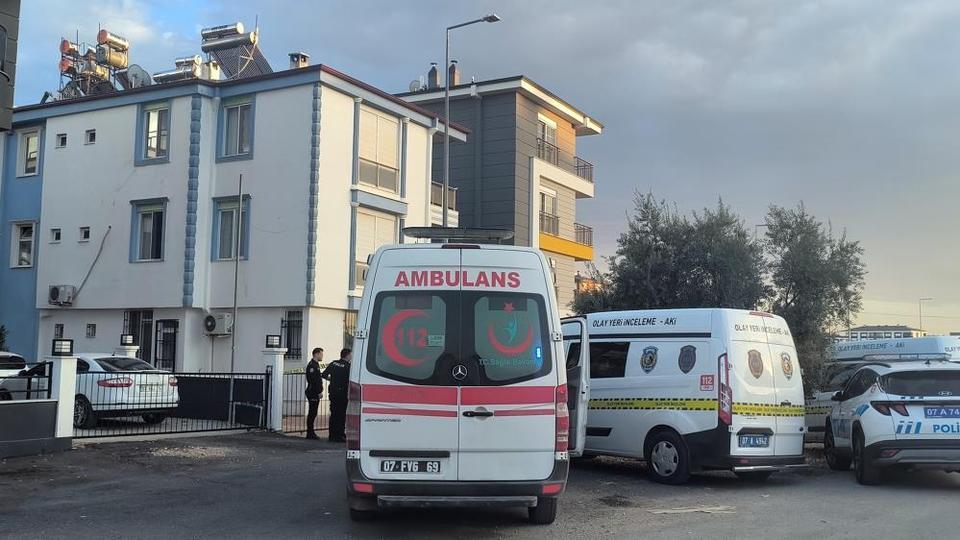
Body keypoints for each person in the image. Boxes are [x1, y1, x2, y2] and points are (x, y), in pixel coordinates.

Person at [322, 348, 352, 442]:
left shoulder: (334, 363)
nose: (351, 356)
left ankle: (332, 435)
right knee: (341, 414)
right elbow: (350, 379)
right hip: (342, 393)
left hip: (333, 392)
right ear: (347, 355)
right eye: (351, 355)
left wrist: (332, 381)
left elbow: (324, 375)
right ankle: (340, 435)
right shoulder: (348, 366)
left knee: (334, 413)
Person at [304, 347, 324, 440]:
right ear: (316, 354)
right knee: (312, 413)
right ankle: (310, 433)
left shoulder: (316, 364)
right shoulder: (312, 366)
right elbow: (313, 380)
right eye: (321, 354)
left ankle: (311, 432)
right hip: (313, 392)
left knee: (313, 412)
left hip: (314, 391)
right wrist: (318, 392)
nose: (322, 356)